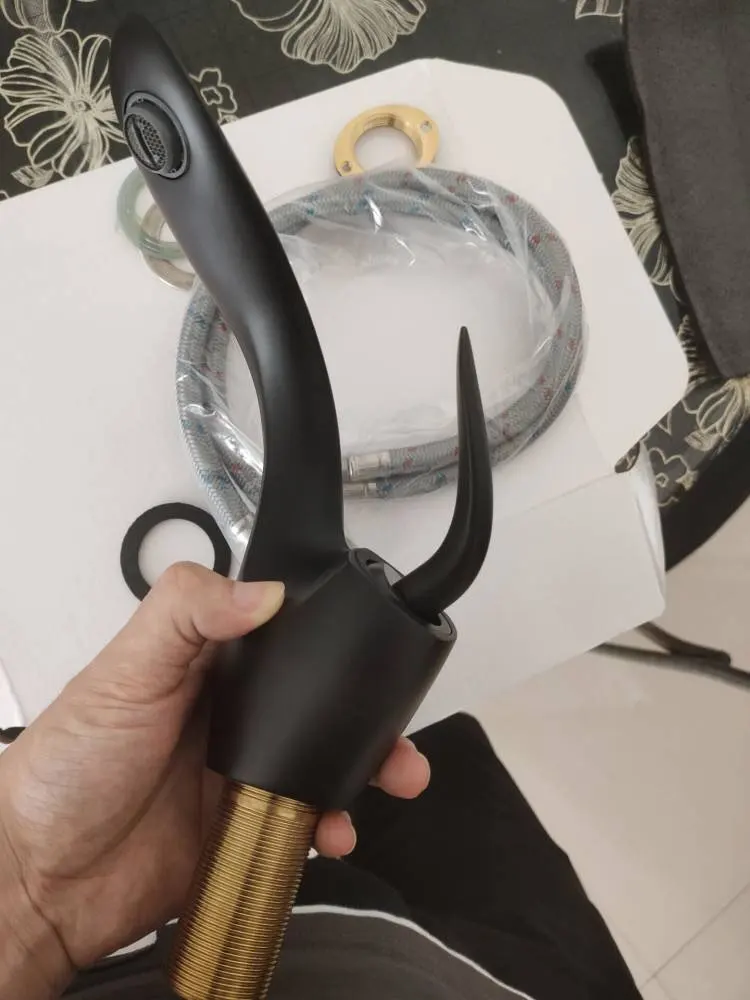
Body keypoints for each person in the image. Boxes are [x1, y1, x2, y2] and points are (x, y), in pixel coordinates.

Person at [0, 564, 641, 1000]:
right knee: (440, 770)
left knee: (430, 763)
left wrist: (30, 893)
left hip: (325, 929)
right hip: (512, 975)